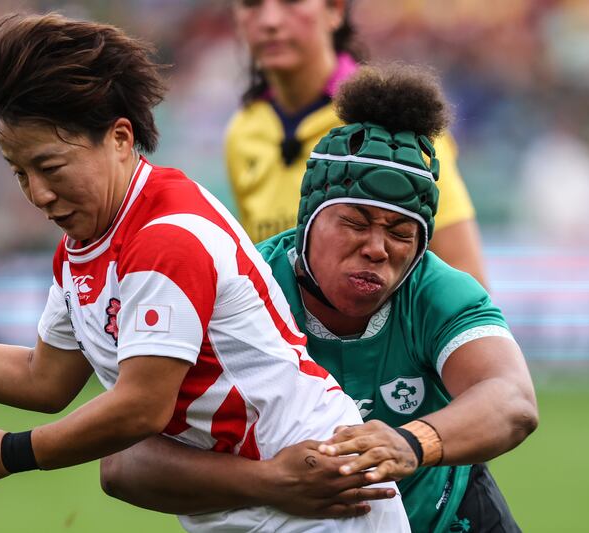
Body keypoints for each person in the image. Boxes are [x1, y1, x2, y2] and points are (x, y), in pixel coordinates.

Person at [0, 13, 411, 533]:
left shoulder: (166, 236)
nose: (38, 194)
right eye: (20, 173)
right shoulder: (86, 244)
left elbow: (140, 408)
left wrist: (12, 452)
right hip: (258, 499)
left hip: (317, 494)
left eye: (51, 167)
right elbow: (46, 378)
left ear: (121, 138)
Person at [100, 65, 538, 532]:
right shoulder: (240, 285)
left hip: (446, 517)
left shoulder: (435, 288)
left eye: (400, 231)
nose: (377, 247)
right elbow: (125, 463)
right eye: (354, 222)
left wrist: (411, 445)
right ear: (308, 219)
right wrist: (268, 481)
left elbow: (512, 399)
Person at [225, 0, 489, 288]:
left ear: (335, 10)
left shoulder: (395, 118)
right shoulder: (242, 132)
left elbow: (467, 277)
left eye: (292, 2)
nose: (270, 21)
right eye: (251, 4)